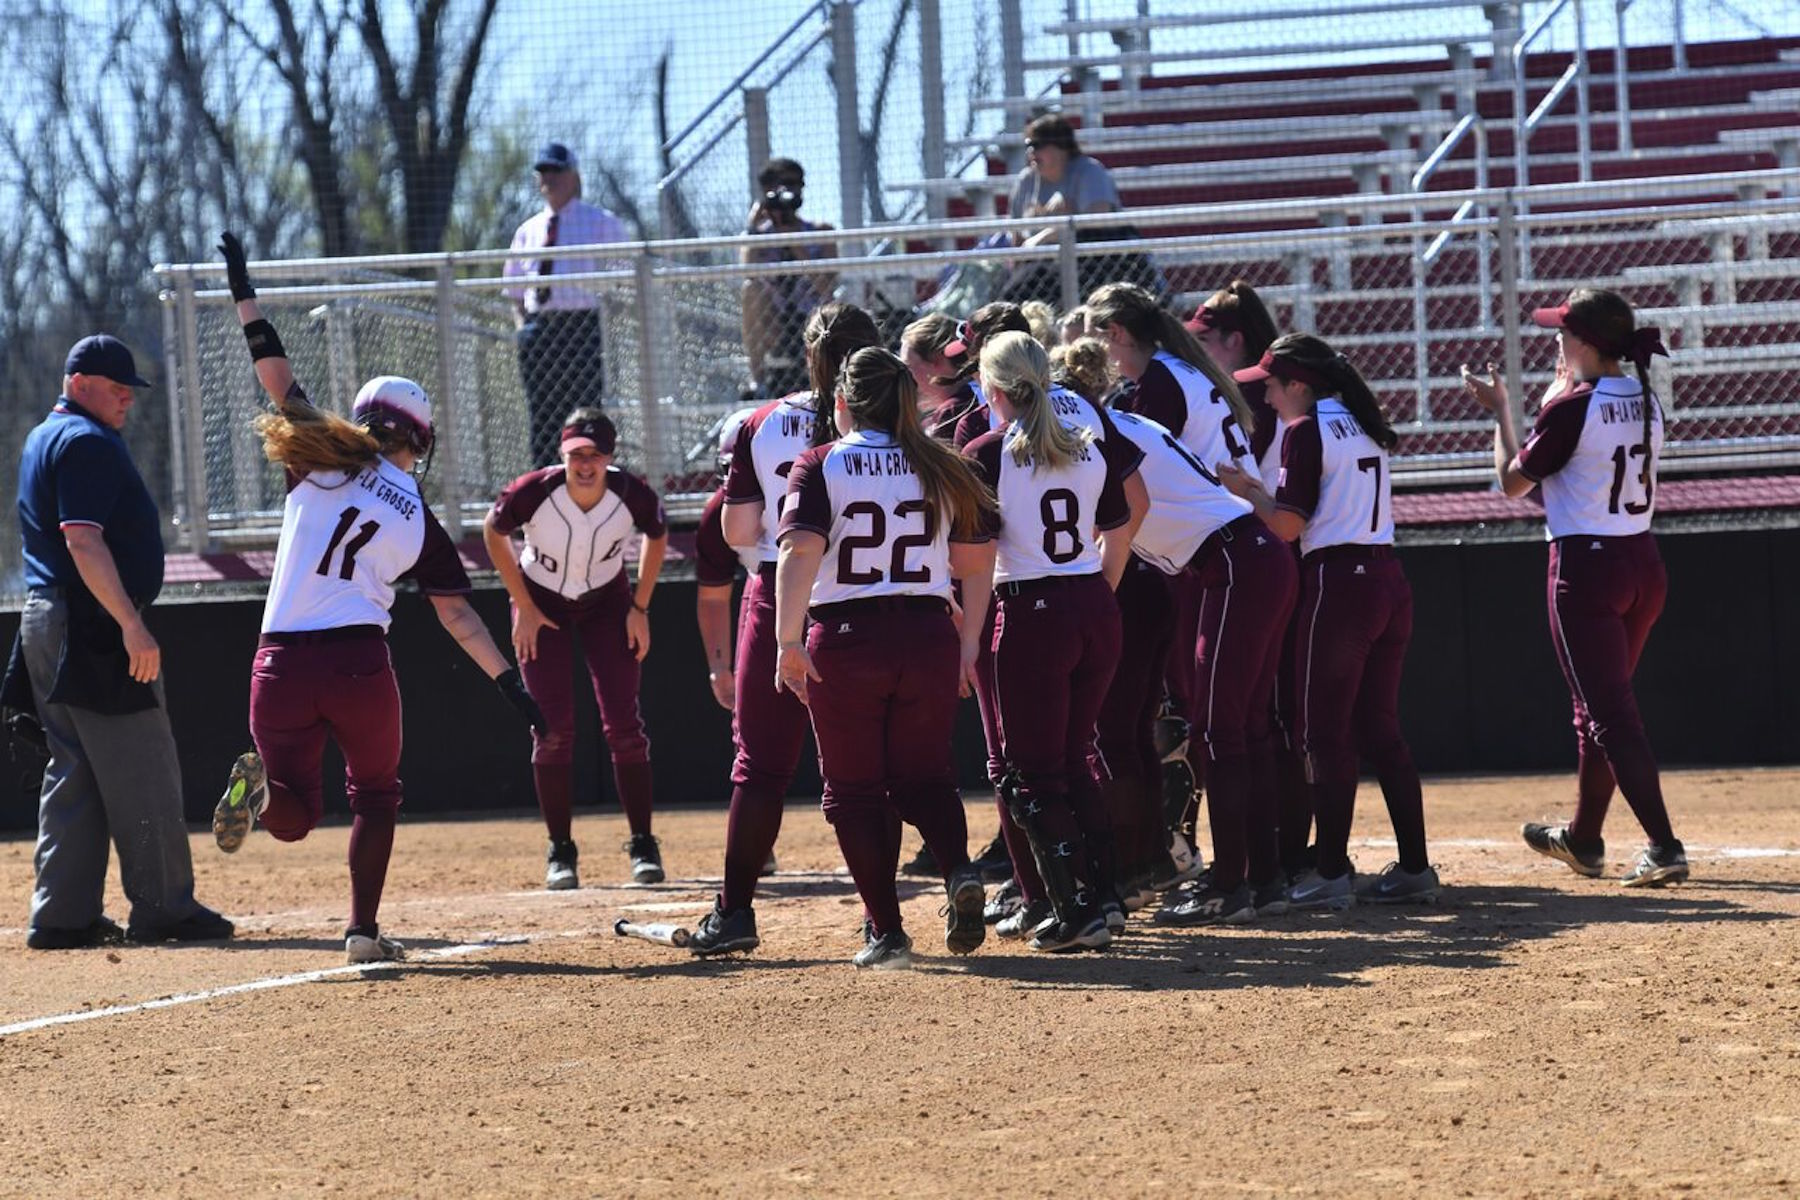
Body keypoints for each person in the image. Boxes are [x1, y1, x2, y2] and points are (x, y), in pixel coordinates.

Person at [212, 233, 544, 963]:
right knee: (377, 796)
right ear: (417, 443)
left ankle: (259, 794)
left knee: (295, 816)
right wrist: (510, 686)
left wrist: (244, 288)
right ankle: (361, 932)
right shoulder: (417, 516)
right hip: (360, 662)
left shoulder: (313, 454)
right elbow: (456, 613)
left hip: (278, 664)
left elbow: (272, 369)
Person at [773, 347, 998, 968]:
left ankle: (887, 931)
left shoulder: (821, 461)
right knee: (926, 776)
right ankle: (957, 868)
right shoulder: (943, 462)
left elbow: (798, 554)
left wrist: (788, 641)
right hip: (927, 633)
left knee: (853, 791)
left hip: (847, 639)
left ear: (841, 404)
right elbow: (978, 565)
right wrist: (970, 643)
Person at [1461, 289, 1688, 887]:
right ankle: (1584, 839)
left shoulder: (1572, 407)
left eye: (1563, 333)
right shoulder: (1647, 397)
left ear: (1585, 343)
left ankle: (1663, 846)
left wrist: (1504, 413)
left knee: (1610, 714)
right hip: (1643, 560)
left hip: (1587, 568)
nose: (1555, 342)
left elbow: (1513, 483)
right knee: (1597, 711)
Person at [15, 334, 234, 949]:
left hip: (46, 618)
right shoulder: (85, 441)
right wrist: (129, 624)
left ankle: (62, 914)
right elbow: (83, 540)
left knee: (74, 767)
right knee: (142, 762)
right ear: (78, 383)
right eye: (116, 390)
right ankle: (165, 908)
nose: (127, 402)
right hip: (91, 624)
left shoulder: (41, 437)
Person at [687, 302, 883, 956]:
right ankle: (880, 917)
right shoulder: (906, 417)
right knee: (868, 768)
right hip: (873, 592)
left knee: (761, 766)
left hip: (779, 589)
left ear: (808, 355)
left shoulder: (763, 422)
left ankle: (735, 911)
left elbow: (738, 532)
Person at [1219, 334, 1437, 908]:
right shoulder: (1360, 418)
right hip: (1388, 577)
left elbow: (1287, 527)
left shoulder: (1306, 429)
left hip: (1339, 586)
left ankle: (1331, 871)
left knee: (1323, 735)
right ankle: (1415, 867)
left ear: (1298, 384)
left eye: (1270, 383)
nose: (1264, 396)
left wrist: (1246, 492)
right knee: (1381, 731)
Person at [962, 332, 1145, 951]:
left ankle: (1076, 908)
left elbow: (978, 560)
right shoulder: (1087, 445)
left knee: (1030, 776)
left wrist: (967, 642)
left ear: (992, 389)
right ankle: (1105, 897)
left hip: (1032, 615)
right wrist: (1095, 598)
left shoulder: (987, 451)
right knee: (1074, 763)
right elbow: (1120, 529)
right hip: (1093, 604)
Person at [1088, 281, 1258, 872]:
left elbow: (1130, 484)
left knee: (1190, 716)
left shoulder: (1158, 384)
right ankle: (1217, 854)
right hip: (1222, 541)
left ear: (1115, 334)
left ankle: (1183, 849)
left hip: (1211, 551)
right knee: (1212, 716)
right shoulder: (1180, 371)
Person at [483, 409, 668, 890]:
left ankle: (643, 843)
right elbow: (493, 529)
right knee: (551, 729)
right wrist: (521, 604)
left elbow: (657, 532)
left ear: (610, 456)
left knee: (625, 726)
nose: (585, 465)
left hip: (607, 601)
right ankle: (560, 850)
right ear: (562, 454)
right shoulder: (535, 490)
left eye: (596, 455)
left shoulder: (628, 493)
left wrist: (639, 607)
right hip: (541, 600)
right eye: (576, 455)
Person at [1187, 280, 1311, 880]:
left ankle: (1276, 859)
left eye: (1207, 339)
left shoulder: (1264, 400)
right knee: (1266, 719)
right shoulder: (1240, 394)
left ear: (1235, 339)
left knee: (1264, 720)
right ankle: (1280, 858)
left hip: (1279, 554)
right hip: (1280, 555)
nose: (1199, 351)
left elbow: (1277, 500)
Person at [503, 142, 630, 468]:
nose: (550, 178)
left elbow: (625, 276)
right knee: (542, 414)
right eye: (543, 172)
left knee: (585, 412)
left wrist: (606, 309)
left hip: (582, 327)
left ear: (574, 176)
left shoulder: (600, 222)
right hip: (539, 329)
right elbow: (514, 291)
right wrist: (523, 330)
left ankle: (590, 476)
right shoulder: (528, 230)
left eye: (557, 171)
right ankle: (545, 481)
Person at [741, 157, 839, 400]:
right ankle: (758, 380)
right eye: (782, 184)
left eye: (797, 184)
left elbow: (827, 287)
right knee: (749, 289)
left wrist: (794, 243)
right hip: (774, 320)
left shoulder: (820, 232)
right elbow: (745, 271)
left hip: (812, 315)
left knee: (832, 306)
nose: (791, 190)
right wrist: (754, 228)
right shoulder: (757, 236)